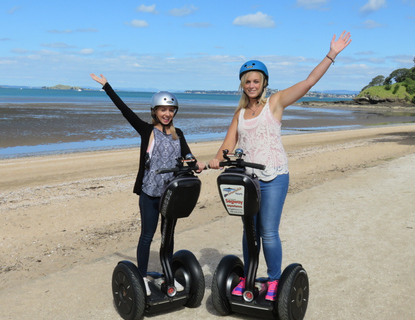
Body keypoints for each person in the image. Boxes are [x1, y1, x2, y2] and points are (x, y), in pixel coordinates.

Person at [209, 31, 352, 301]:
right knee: (249, 230)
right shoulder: (239, 114)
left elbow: (308, 83)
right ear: (242, 85)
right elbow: (227, 145)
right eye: (247, 81)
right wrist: (215, 160)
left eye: (256, 80)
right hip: (247, 180)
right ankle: (249, 277)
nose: (252, 85)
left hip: (274, 176)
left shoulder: (274, 104)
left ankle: (273, 280)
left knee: (268, 231)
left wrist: (331, 54)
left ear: (264, 83)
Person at [90, 73, 205, 296]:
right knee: (147, 235)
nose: (167, 113)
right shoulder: (147, 131)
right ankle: (141, 277)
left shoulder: (177, 134)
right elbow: (125, 111)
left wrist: (195, 163)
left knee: (168, 236)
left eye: (171, 110)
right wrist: (107, 86)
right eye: (163, 110)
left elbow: (188, 156)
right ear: (154, 111)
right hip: (150, 193)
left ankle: (168, 275)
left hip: (172, 193)